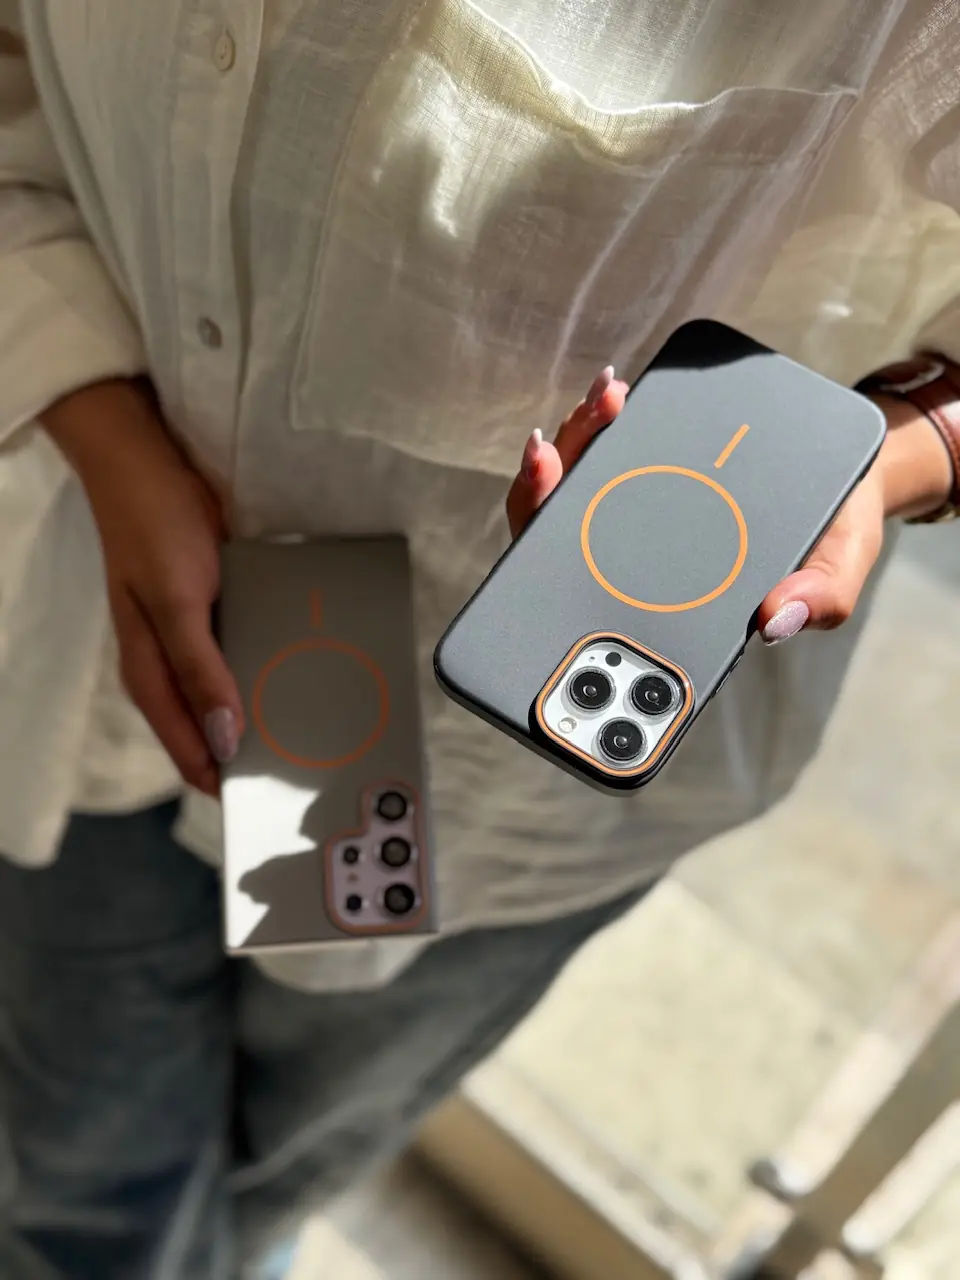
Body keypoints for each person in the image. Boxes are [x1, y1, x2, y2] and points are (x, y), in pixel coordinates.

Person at [0, 1, 957, 1276]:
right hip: (101, 606)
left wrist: (901, 449)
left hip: (491, 749)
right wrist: (101, 423)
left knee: (275, 1163)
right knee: (84, 1184)